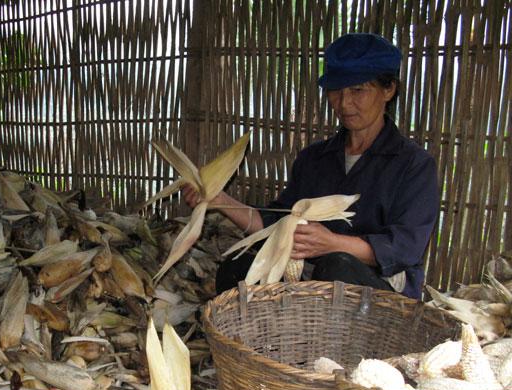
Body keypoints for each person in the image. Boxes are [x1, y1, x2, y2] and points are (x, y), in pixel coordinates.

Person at [184, 33, 438, 299]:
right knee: (238, 270)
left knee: (336, 266)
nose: (344, 103)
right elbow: (276, 224)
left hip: (378, 290)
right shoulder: (314, 159)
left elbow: (406, 248)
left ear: (388, 90)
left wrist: (332, 244)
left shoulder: (414, 165)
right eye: (335, 91)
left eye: (358, 90)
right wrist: (218, 199)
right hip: (314, 280)